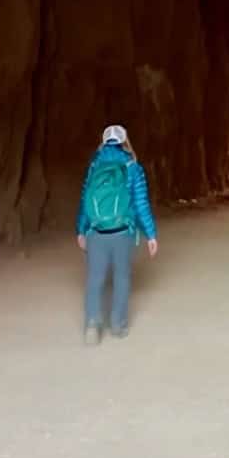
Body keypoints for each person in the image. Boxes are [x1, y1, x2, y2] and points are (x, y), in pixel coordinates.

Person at [76, 124, 158, 343]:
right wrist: (150, 233)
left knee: (95, 279)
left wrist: (81, 230)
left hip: (96, 231)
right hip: (123, 231)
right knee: (122, 277)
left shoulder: (95, 165)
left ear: (104, 141)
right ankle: (118, 325)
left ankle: (92, 323)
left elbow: (85, 200)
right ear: (124, 142)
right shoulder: (132, 166)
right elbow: (141, 203)